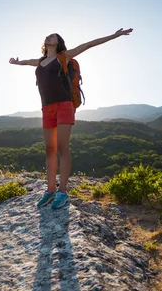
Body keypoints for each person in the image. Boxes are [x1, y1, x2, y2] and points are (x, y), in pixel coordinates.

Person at [9, 27, 133, 209]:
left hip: (64, 105)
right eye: (47, 35)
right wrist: (16, 62)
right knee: (49, 149)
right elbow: (28, 62)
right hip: (47, 108)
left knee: (61, 147)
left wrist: (115, 35)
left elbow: (89, 44)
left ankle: (63, 192)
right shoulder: (41, 61)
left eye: (52, 36)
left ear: (58, 42)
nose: (48, 36)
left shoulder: (63, 57)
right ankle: (50, 190)